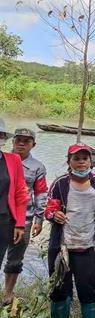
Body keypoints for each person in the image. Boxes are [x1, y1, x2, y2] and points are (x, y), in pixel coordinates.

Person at [45, 143, 95, 318]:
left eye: (85, 158)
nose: (81, 162)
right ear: (69, 162)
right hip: (61, 247)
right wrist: (53, 215)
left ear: (91, 161)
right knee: (59, 289)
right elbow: (48, 209)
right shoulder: (59, 183)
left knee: (87, 290)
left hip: (87, 248)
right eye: (77, 158)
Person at [3, 128, 48, 304]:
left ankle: (8, 293)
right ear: (12, 141)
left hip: (24, 219)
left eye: (26, 141)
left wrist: (39, 219)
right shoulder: (2, 160)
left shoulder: (37, 167)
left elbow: (41, 193)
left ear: (33, 145)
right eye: (18, 139)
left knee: (15, 258)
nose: (21, 143)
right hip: (2, 215)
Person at [0, 118, 29, 305]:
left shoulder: (12, 160)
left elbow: (20, 192)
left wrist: (20, 223)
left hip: (4, 220)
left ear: (2, 137)